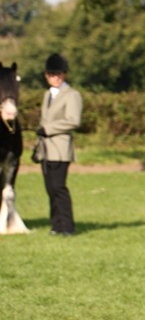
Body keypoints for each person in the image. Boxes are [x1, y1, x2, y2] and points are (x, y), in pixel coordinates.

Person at [32, 53, 82, 236]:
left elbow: (73, 120)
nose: (56, 78)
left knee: (59, 187)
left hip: (60, 149)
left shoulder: (72, 95)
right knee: (50, 188)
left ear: (64, 74)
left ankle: (67, 226)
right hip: (45, 149)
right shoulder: (47, 95)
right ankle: (56, 225)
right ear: (47, 76)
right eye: (52, 74)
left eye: (59, 74)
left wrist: (48, 129)